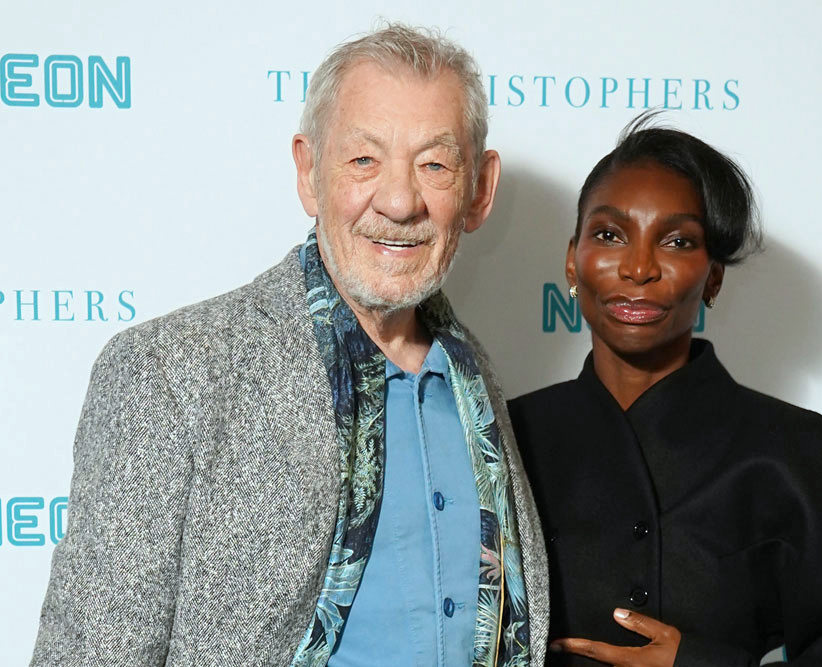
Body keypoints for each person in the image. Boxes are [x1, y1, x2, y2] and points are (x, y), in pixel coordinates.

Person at [31, 24, 547, 666]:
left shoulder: (477, 385)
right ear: (308, 171)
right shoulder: (170, 373)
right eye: (364, 160)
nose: (398, 200)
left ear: (479, 190)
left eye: (435, 165)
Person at [508, 114, 822, 666]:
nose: (637, 268)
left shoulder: (792, 452)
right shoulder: (498, 439)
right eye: (610, 235)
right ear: (572, 258)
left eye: (677, 241)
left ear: (712, 277)